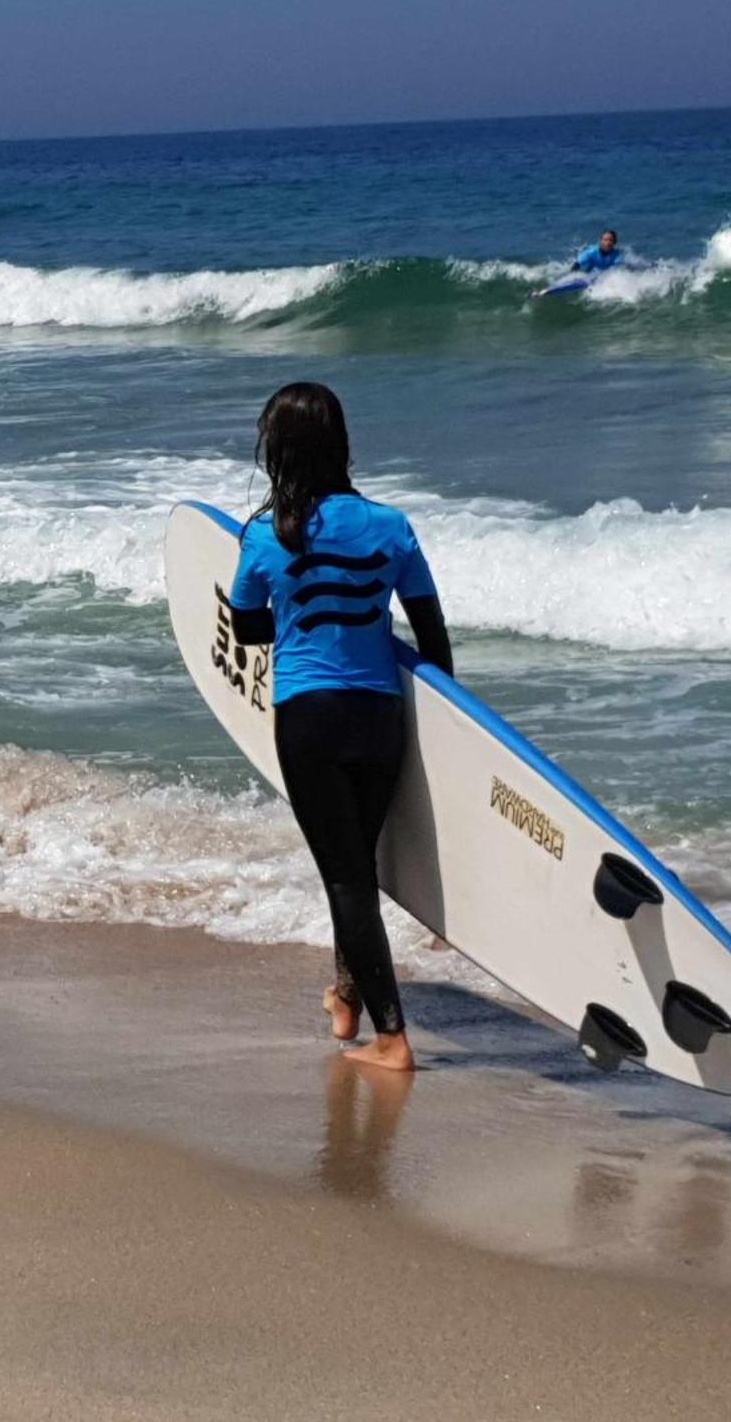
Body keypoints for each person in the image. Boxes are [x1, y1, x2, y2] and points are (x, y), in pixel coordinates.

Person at [224, 381, 453, 1073]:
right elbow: (434, 637)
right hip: (379, 716)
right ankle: (346, 1001)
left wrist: (296, 609)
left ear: (279, 451)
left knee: (348, 878)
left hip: (309, 719)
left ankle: (392, 1038)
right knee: (352, 866)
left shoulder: (265, 534)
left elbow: (248, 627)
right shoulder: (392, 525)